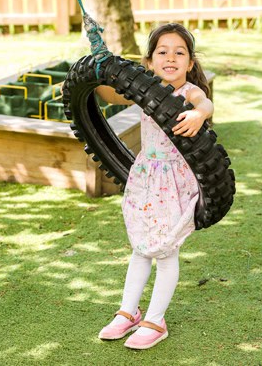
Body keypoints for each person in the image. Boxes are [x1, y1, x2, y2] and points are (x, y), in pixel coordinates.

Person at [95, 23, 213, 350]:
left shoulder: (188, 91)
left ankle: (155, 319)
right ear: (150, 61)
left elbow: (205, 103)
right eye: (162, 52)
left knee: (166, 249)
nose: (170, 57)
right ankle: (127, 311)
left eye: (179, 52)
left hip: (174, 181)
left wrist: (199, 115)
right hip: (146, 177)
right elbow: (110, 94)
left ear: (190, 63)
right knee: (140, 247)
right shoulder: (146, 89)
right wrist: (96, 70)